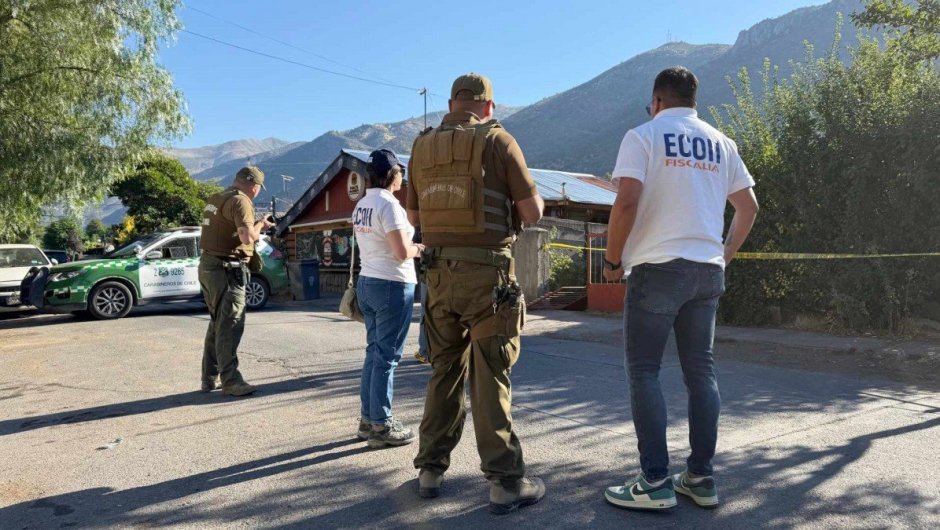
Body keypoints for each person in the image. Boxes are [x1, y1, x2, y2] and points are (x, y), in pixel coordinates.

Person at [601, 67, 759, 511]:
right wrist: (722, 256)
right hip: (706, 271)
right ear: (694, 102)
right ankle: (701, 478)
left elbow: (626, 201)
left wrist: (612, 261)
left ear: (656, 101)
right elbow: (748, 207)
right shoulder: (722, 143)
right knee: (701, 373)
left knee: (644, 371)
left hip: (657, 268)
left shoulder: (644, 136)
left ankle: (654, 482)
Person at [406, 73, 546, 514]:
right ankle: (505, 482)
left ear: (452, 103)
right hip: (488, 281)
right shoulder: (499, 141)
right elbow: (532, 212)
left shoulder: (420, 146)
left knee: (443, 373)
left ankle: (430, 471)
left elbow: (414, 219)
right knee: (490, 378)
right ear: (488, 106)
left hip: (437, 280)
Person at [352, 149, 424, 449]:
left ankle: (368, 420)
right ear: (393, 174)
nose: (402, 177)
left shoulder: (362, 205)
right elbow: (401, 251)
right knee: (387, 358)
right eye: (401, 172)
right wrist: (420, 248)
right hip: (392, 284)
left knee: (374, 353)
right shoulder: (389, 205)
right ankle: (381, 425)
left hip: (367, 281)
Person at [199, 166, 275, 397]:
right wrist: (261, 225)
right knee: (231, 324)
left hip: (209, 266)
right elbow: (247, 237)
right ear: (254, 186)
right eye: (258, 188)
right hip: (226, 270)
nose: (257, 192)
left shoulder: (217, 197)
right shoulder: (241, 201)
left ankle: (209, 377)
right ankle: (231, 380)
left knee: (218, 323)